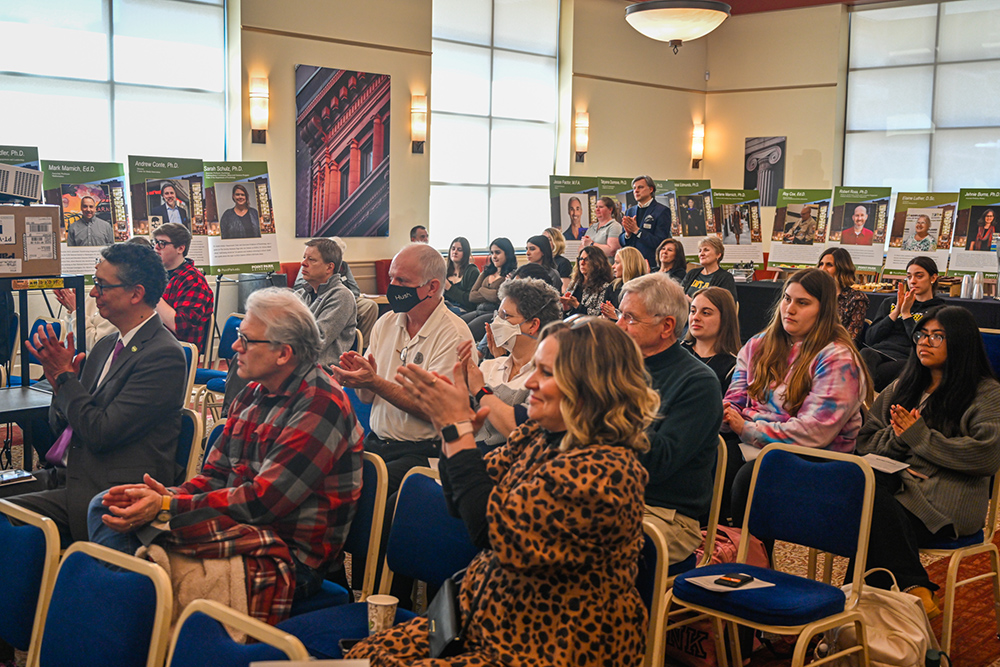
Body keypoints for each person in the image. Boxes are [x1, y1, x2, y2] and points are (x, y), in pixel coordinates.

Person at [347, 317, 658, 666]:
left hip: (550, 642)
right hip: (489, 617)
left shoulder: (605, 470)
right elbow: (461, 502)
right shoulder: (540, 436)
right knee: (367, 656)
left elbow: (490, 531)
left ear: (590, 387)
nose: (531, 382)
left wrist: (456, 430)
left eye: (546, 372)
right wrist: (451, 435)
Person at [90, 288, 364, 609]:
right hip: (240, 529)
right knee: (107, 507)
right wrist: (167, 498)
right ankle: (134, 609)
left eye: (246, 340)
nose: (235, 347)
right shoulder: (254, 393)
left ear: (283, 353)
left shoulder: (320, 404)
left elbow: (263, 503)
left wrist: (166, 506)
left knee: (144, 577)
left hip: (285, 556)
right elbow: (214, 476)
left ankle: (137, 615)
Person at [0, 243, 186, 544]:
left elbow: (100, 432)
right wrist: (60, 385)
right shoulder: (107, 345)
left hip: (107, 491)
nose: (92, 293)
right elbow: (64, 426)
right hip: (67, 475)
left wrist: (65, 378)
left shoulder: (163, 355)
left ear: (135, 294)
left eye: (101, 285)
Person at [855, 306, 1000, 617]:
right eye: (922, 335)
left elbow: (986, 456)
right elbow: (865, 443)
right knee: (864, 493)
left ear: (961, 343)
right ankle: (912, 587)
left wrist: (919, 437)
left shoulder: (986, 394)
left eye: (937, 336)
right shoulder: (902, 387)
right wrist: (899, 440)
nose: (924, 342)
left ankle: (852, 622)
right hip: (897, 492)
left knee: (866, 513)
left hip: (946, 504)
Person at [723, 269, 872, 525]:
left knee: (749, 477)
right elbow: (735, 400)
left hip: (820, 461)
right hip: (763, 445)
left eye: (802, 303)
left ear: (823, 310)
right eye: (787, 299)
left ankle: (749, 553)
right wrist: (728, 416)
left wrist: (747, 426)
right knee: (710, 456)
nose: (789, 309)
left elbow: (813, 433)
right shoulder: (758, 345)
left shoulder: (837, 358)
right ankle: (712, 546)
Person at [331, 243, 473, 495]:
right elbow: (368, 398)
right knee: (327, 478)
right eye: (391, 278)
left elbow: (435, 411)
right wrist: (361, 381)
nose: (393, 287)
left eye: (403, 281)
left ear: (432, 287)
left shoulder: (454, 333)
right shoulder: (386, 323)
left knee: (362, 494)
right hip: (378, 444)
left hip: (423, 453)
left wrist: (374, 382)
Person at [617, 274, 723, 564]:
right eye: (619, 314)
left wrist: (605, 409)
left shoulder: (698, 382)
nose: (619, 326)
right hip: (604, 495)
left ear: (666, 326)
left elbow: (657, 463)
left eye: (630, 318)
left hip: (663, 514)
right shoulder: (619, 367)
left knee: (571, 545)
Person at [458, 278, 562, 450]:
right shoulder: (490, 366)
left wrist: (479, 390)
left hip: (507, 465)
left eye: (506, 316)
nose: (497, 323)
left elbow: (522, 432)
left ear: (533, 325)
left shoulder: (547, 377)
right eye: (498, 315)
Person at [862, 256, 945, 392]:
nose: (912, 281)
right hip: (878, 352)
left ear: (933, 278)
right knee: (865, 353)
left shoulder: (938, 310)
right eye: (909, 276)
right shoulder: (891, 302)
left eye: (919, 276)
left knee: (876, 373)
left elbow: (922, 341)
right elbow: (870, 339)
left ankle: (863, 403)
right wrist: (895, 312)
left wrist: (906, 314)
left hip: (907, 358)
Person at [293, 238, 357, 367]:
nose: (303, 263)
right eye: (304, 257)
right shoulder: (300, 294)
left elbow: (316, 342)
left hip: (321, 373)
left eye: (311, 260)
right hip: (297, 366)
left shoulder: (341, 296)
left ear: (329, 267)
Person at [153, 223, 214, 353]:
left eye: (162, 243)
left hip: (175, 352)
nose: (156, 247)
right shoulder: (157, 274)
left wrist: (152, 292)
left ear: (180, 248)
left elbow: (180, 326)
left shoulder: (193, 280)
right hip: (154, 344)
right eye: (155, 242)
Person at [683, 286, 740, 395]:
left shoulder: (733, 366)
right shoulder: (677, 351)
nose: (695, 317)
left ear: (724, 319)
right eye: (693, 311)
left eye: (705, 313)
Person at [463, 237, 516, 341]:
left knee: (468, 331)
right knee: (457, 325)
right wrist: (490, 293)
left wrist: (482, 289)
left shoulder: (512, 275)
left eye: (497, 252)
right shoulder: (486, 272)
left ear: (507, 254)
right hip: (478, 310)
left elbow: (497, 297)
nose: (494, 256)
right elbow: (472, 296)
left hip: (493, 313)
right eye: (492, 253)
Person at [817, 246, 869, 341]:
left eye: (829, 265)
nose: (822, 269)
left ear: (842, 269)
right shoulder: (815, 294)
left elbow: (851, 338)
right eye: (821, 264)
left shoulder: (856, 298)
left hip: (837, 350)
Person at [619, 175, 672, 268]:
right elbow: (622, 240)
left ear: (651, 189)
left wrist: (637, 231)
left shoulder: (662, 211)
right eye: (634, 188)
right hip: (631, 264)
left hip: (651, 264)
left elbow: (660, 242)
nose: (636, 191)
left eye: (640, 187)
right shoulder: (630, 211)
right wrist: (627, 234)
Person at [561, 245, 616, 317]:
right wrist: (566, 308)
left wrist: (577, 305)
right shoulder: (575, 283)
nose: (582, 263)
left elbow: (599, 315)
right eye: (580, 259)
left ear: (597, 263)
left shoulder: (605, 287)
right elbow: (567, 312)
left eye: (587, 259)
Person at [681, 236, 738, 304]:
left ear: (718, 254)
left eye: (706, 250)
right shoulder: (692, 273)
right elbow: (679, 294)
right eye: (700, 251)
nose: (701, 254)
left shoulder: (725, 277)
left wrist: (693, 302)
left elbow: (727, 304)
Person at [601, 246, 647, 320]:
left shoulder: (644, 289)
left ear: (628, 265)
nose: (613, 266)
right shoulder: (613, 287)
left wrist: (617, 316)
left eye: (617, 263)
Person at [443, 236, 480, 313]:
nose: (455, 252)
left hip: (463, 309)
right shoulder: (444, 270)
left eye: (459, 250)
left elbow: (470, 301)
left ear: (466, 253)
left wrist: (449, 288)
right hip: (445, 306)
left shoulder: (472, 271)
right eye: (453, 249)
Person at [544, 227, 573, 291]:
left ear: (556, 242)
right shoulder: (540, 261)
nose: (544, 242)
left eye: (549, 239)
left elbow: (564, 289)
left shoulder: (563, 263)